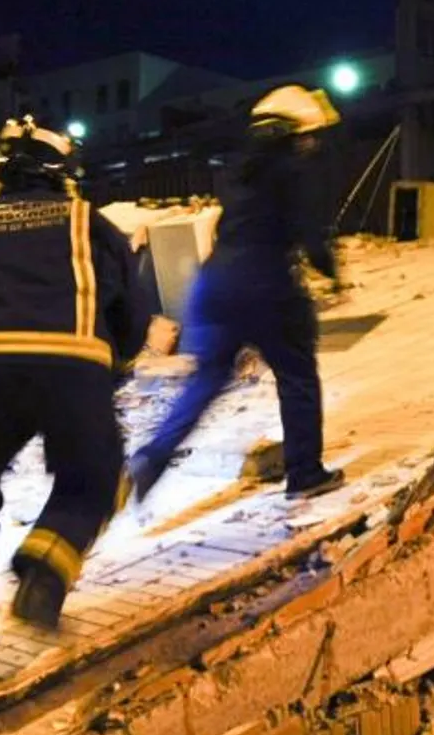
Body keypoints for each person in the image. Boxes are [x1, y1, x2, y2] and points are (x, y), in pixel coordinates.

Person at [0, 116, 149, 690]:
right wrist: (114, 364)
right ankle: (46, 566)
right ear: (63, 174)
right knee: (95, 477)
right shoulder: (88, 224)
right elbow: (133, 312)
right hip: (73, 367)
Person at [127, 85, 346, 505]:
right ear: (292, 131)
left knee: (206, 379)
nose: (311, 143)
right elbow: (309, 232)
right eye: (307, 135)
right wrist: (332, 272)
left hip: (213, 286)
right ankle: (305, 473)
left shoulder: (239, 171)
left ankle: (152, 457)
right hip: (265, 284)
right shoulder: (291, 168)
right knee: (297, 374)